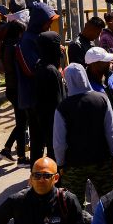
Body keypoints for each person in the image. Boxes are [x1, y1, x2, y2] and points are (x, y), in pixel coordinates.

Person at [54, 63, 113, 202]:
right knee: (111, 202)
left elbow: (59, 142)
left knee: (73, 205)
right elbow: (111, 132)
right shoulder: (102, 99)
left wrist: (60, 164)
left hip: (73, 165)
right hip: (102, 161)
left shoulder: (62, 107)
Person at [15, 1, 60, 163]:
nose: (50, 25)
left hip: (43, 96)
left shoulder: (40, 37)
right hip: (33, 97)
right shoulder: (27, 41)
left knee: (49, 136)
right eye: (48, 21)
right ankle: (37, 171)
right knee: (38, 138)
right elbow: (31, 68)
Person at [0, 156, 87, 224]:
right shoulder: (17, 200)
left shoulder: (68, 200)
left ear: (56, 178)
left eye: (47, 176)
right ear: (30, 178)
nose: (41, 180)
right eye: (37, 175)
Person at [0, 3, 30, 166]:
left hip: (12, 88)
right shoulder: (16, 48)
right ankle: (20, 157)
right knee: (22, 122)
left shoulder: (7, 45)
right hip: (18, 89)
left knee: (22, 121)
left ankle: (8, 149)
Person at [34, 31, 67, 160]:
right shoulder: (51, 71)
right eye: (58, 45)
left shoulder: (41, 64)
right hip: (54, 120)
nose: (61, 48)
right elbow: (57, 101)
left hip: (45, 117)